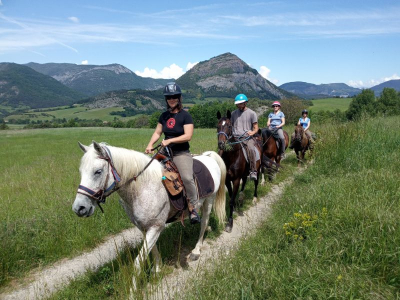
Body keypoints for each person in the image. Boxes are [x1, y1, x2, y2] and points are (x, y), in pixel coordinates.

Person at [145, 82, 200, 224]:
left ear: (179, 98)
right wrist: (150, 144)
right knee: (149, 172)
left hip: (181, 153)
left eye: (174, 96)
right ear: (166, 99)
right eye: (169, 97)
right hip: (165, 152)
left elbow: (188, 136)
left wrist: (170, 141)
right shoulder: (163, 116)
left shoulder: (185, 116)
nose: (172, 99)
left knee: (187, 178)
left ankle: (193, 207)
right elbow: (158, 132)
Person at [230, 94, 260, 181]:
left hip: (247, 138)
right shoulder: (233, 113)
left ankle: (253, 171)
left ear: (245, 103)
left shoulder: (252, 113)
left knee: (251, 148)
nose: (238, 105)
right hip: (235, 137)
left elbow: (256, 127)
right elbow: (230, 126)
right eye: (237, 104)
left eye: (240, 103)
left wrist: (253, 132)